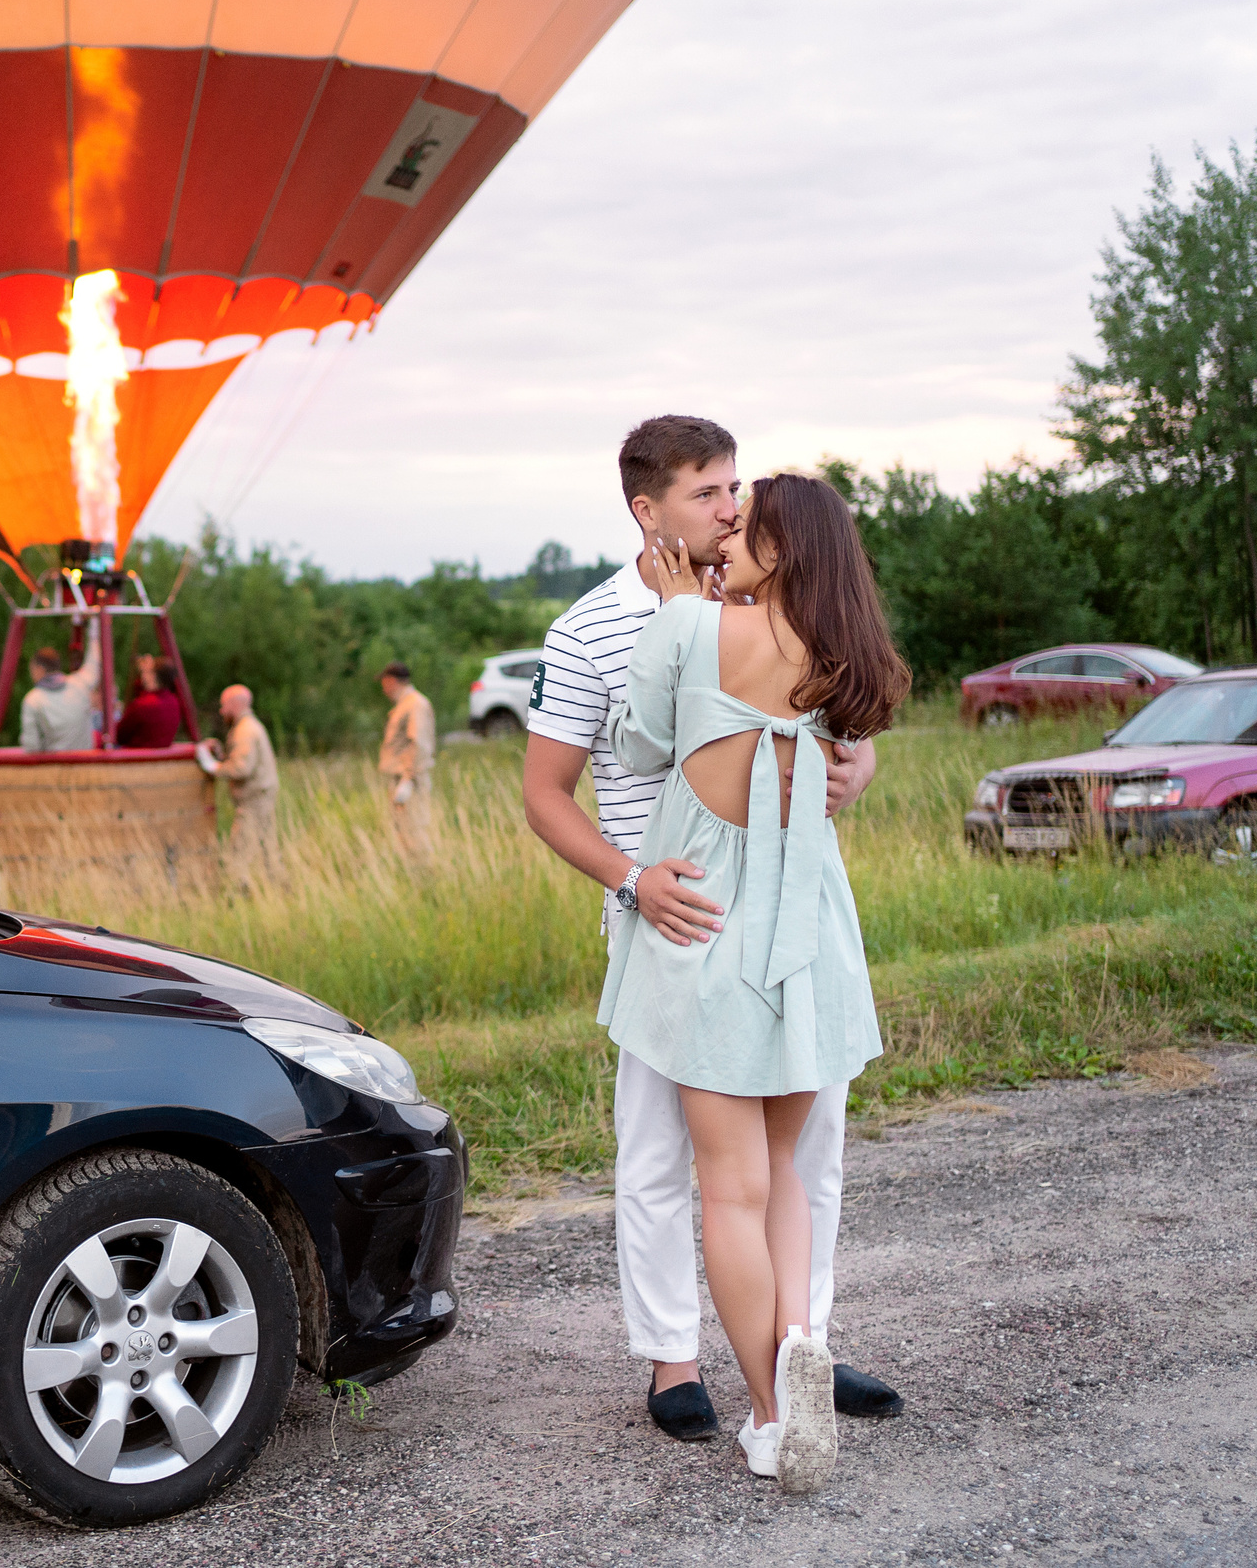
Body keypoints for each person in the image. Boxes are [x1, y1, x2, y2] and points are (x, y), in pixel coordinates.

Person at [520, 416, 903, 1458]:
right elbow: (546, 793)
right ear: (647, 510)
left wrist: (853, 766)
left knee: (783, 1166)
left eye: (737, 493)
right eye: (708, 495)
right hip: (678, 908)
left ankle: (794, 1361)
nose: (729, 512)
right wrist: (630, 878)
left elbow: (835, 743)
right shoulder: (590, 627)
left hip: (759, 908)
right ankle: (675, 1359)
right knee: (663, 1155)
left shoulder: (726, 616)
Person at [196, 683, 278, 884]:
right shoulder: (250, 727)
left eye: (224, 705)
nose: (222, 711)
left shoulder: (245, 731)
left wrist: (213, 766)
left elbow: (241, 768)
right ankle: (275, 887)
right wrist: (222, 756)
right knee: (266, 851)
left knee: (239, 852)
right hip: (261, 798)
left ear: (235, 704)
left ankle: (239, 891)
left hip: (253, 802)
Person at [377, 662, 437, 854]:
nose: (383, 689)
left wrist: (408, 779)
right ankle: (412, 867)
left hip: (411, 781)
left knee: (415, 828)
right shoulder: (405, 704)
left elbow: (420, 743)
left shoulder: (415, 704)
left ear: (391, 681)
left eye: (384, 683)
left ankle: (425, 867)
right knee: (403, 830)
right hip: (402, 779)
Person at [20, 642, 100, 753]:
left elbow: (32, 746)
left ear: (40, 669)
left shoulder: (33, 700)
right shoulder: (80, 684)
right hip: (85, 761)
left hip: (55, 762)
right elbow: (94, 663)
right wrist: (94, 636)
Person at [115, 655, 193, 748]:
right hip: (160, 754)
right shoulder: (174, 702)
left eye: (147, 672)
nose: (143, 674)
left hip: (136, 754)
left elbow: (119, 736)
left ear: (153, 675)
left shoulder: (142, 705)